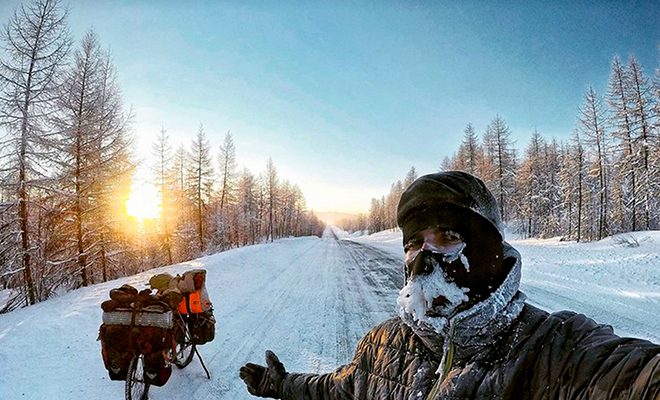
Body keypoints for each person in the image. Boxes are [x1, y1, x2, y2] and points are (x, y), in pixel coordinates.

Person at [239, 171, 660, 399]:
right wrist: (282, 384)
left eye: (448, 237)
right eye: (413, 244)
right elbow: (339, 388)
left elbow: (631, 377)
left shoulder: (558, 352)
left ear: (489, 249)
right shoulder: (383, 346)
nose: (423, 260)